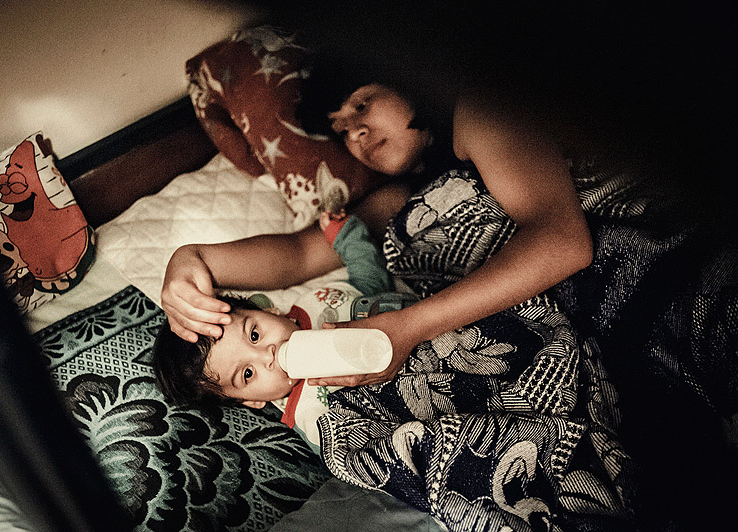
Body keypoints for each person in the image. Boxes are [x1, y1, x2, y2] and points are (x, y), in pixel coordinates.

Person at [161, 60, 592, 389]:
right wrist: (193, 258)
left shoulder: (479, 111)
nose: (356, 133)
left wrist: (408, 327)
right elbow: (301, 254)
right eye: (342, 130)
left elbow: (564, 242)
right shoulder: (398, 199)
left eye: (362, 105)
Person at [153, 211, 406, 449]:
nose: (268, 355)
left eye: (254, 335)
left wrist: (346, 235)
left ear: (270, 311)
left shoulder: (314, 303)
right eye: (248, 374)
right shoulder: (310, 413)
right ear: (253, 401)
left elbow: (370, 283)